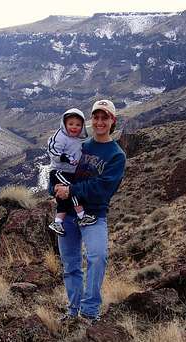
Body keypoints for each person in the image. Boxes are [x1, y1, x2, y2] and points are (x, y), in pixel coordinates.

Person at [54, 99, 126, 323]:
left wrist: (71, 189)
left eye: (105, 118)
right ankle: (73, 310)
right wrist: (54, 187)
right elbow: (60, 168)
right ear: (91, 120)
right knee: (71, 264)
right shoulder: (80, 145)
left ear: (112, 121)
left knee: (97, 257)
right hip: (68, 215)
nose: (100, 122)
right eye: (96, 117)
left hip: (94, 215)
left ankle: (90, 311)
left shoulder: (116, 155)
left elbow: (102, 189)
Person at [47, 108, 98, 236]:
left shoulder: (78, 140)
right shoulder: (61, 136)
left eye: (78, 125)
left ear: (82, 126)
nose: (74, 127)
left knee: (65, 198)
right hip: (59, 171)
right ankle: (82, 216)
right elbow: (53, 150)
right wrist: (65, 158)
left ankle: (58, 222)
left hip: (69, 173)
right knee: (72, 190)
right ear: (64, 124)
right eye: (70, 124)